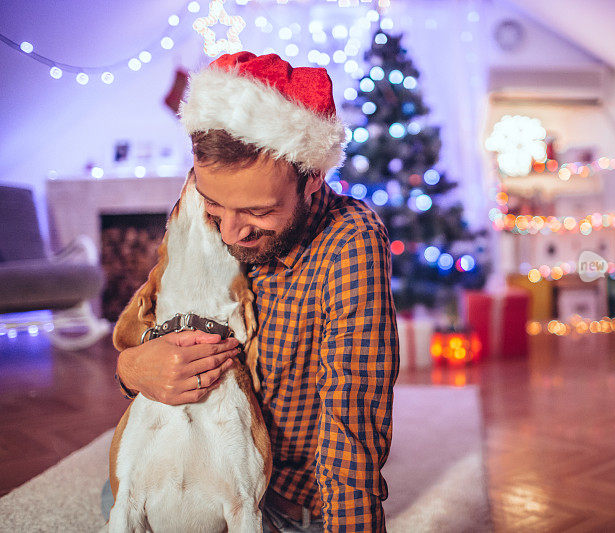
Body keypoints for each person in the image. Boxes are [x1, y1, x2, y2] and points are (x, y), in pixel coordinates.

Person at [106, 51, 400, 532]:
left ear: (313, 179)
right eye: (216, 206)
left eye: (259, 212)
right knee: (115, 498)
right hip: (194, 455)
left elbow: (353, 417)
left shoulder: (351, 239)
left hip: (279, 500)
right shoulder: (211, 206)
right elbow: (154, 308)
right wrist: (130, 367)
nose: (230, 234)